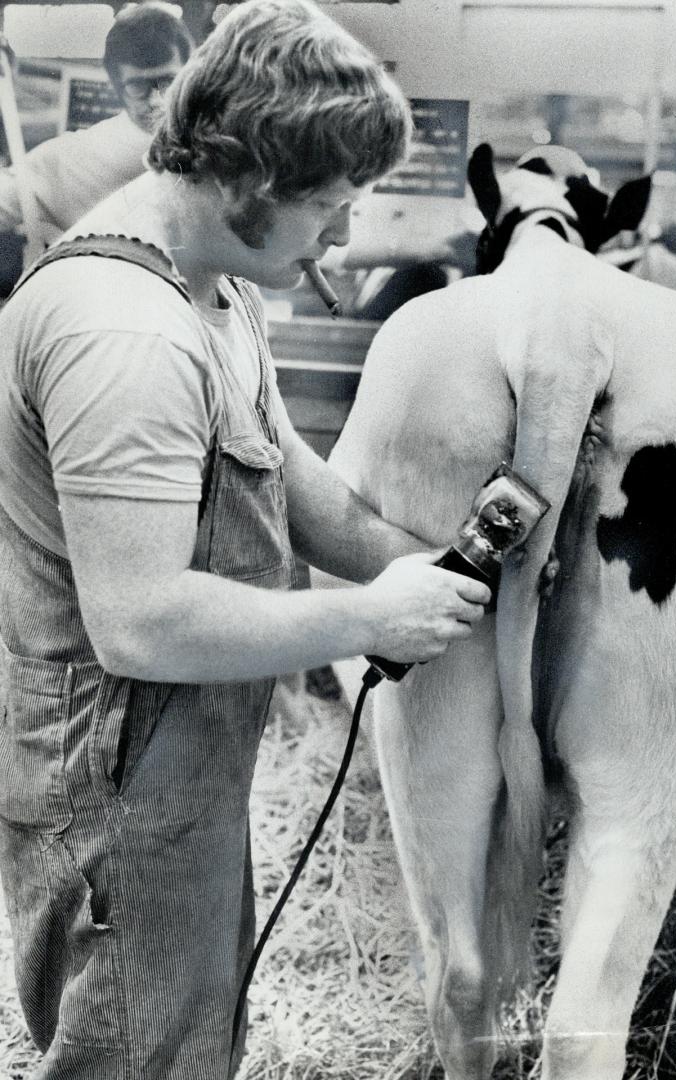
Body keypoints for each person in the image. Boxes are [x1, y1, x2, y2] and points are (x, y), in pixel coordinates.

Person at [0, 2, 490, 1078]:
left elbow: (299, 488)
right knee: (138, 1056)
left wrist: (434, 570)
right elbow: (140, 621)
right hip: (117, 785)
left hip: (181, 769)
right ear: (246, 179)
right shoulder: (120, 331)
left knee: (182, 1045)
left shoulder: (213, 287)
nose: (348, 238)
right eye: (330, 204)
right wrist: (369, 620)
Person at [0, 2, 193, 245]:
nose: (156, 101)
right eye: (137, 86)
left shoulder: (223, 149)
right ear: (115, 85)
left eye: (169, 82)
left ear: (191, 74)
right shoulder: (71, 159)